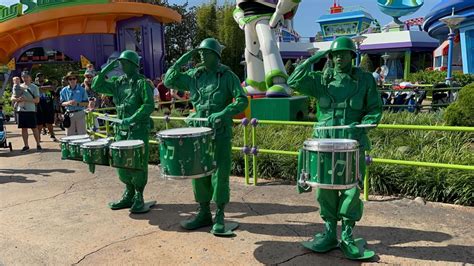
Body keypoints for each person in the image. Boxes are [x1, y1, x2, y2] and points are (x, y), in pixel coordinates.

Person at [288, 36, 383, 260]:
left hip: (352, 143)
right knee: (324, 188)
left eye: (344, 53)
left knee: (351, 190)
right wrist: (319, 56)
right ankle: (329, 232)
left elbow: (374, 110)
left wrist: (364, 124)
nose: (339, 58)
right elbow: (292, 80)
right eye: (335, 54)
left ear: (353, 55)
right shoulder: (321, 79)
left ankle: (348, 235)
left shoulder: (365, 80)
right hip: (324, 142)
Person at [164, 38, 248, 235]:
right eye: (200, 52)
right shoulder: (195, 75)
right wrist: (181, 60)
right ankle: (203, 212)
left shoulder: (227, 76)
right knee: (198, 171)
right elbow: (169, 80)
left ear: (216, 55)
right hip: (198, 132)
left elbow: (242, 100)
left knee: (219, 173)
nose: (201, 55)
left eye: (206, 52)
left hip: (220, 133)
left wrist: (224, 113)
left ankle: (219, 214)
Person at [92, 50, 155, 213]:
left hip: (137, 130)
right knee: (121, 163)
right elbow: (96, 86)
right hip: (121, 130)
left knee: (137, 163)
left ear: (134, 65)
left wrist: (133, 118)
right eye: (121, 63)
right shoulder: (118, 83)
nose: (121, 65)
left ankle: (139, 195)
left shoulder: (143, 83)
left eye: (125, 63)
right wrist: (105, 70)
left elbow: (148, 105)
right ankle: (128, 193)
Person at [10, 71, 41, 152]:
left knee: (34, 128)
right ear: (21, 77)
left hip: (31, 110)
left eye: (27, 77)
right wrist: (17, 99)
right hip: (21, 110)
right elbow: (12, 97)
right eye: (23, 77)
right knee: (24, 128)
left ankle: (38, 144)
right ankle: (26, 145)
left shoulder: (34, 87)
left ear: (30, 77)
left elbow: (37, 100)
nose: (25, 78)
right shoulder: (18, 86)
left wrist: (26, 99)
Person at [60, 72, 89, 136]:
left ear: (76, 79)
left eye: (74, 78)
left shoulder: (82, 90)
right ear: (68, 80)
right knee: (69, 135)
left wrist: (77, 104)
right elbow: (62, 103)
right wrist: (68, 103)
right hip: (69, 114)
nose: (72, 80)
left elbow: (86, 103)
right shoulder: (64, 90)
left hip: (80, 113)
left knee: (82, 134)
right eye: (70, 79)